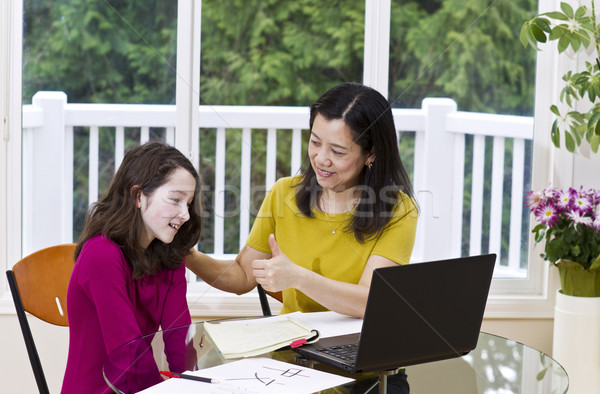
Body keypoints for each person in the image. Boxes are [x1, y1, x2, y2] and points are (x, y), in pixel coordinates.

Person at [187, 82, 418, 318]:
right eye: (315, 142)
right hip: (296, 346)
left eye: (337, 151)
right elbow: (243, 276)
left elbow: (370, 301)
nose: (321, 159)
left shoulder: (398, 209)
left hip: (358, 347)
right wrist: (187, 255)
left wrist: (298, 277)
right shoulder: (283, 193)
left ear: (371, 153)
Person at [61, 141, 202, 394]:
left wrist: (194, 385)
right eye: (175, 200)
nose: (186, 214)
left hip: (139, 388)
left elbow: (178, 340)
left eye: (188, 203)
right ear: (138, 196)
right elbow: (128, 353)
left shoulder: (169, 256)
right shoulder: (101, 255)